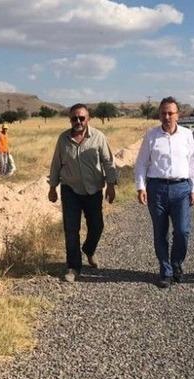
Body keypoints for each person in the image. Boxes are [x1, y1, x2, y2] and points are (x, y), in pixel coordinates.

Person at [134, 97, 194, 288]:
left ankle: (176, 263)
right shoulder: (151, 135)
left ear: (177, 115)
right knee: (160, 232)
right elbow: (141, 163)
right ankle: (166, 270)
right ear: (159, 114)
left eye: (170, 113)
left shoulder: (187, 135)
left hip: (181, 188)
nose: (167, 116)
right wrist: (141, 187)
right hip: (157, 189)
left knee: (182, 231)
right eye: (163, 113)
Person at [48, 103, 117, 282]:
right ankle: (73, 267)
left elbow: (108, 162)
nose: (77, 121)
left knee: (97, 226)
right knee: (71, 229)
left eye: (81, 118)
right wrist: (52, 187)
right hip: (70, 189)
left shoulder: (99, 137)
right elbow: (56, 164)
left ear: (88, 118)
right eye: (74, 118)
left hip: (93, 190)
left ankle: (88, 249)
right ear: (70, 119)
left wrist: (111, 184)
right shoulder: (63, 139)